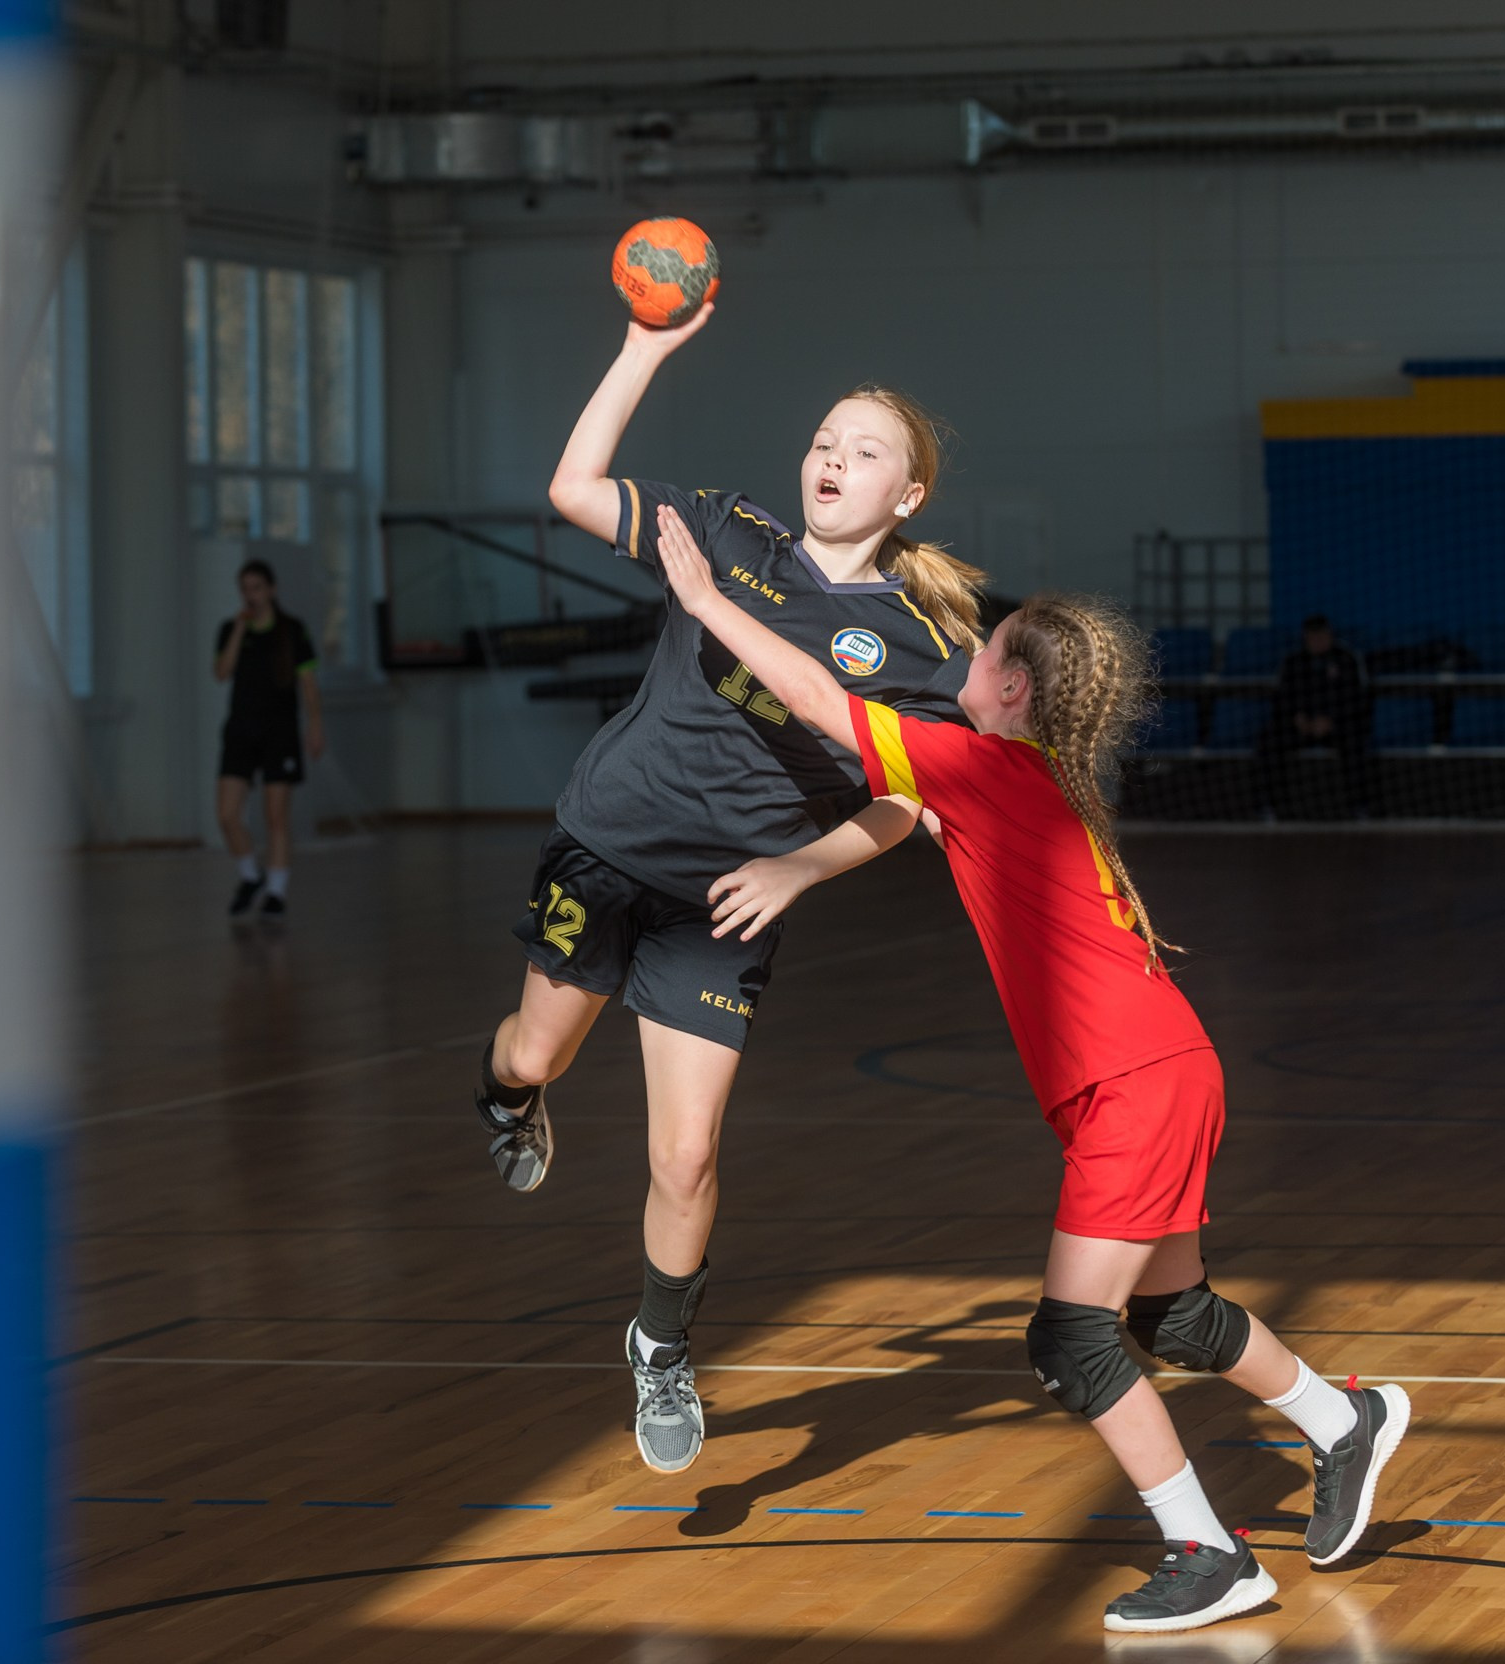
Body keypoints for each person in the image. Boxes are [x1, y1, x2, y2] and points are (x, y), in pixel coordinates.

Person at [652, 510, 1414, 1635]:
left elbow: (816, 697)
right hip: (1160, 1071)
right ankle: (1345, 1421)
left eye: (988, 646)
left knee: (1070, 1336)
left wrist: (706, 602)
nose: (968, 654)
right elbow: (893, 804)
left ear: (1011, 688)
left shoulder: (977, 764)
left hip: (1134, 1084)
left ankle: (1209, 1552)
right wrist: (800, 864)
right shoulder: (1015, 773)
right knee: (1172, 1314)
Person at [476, 299, 987, 1476]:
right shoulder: (725, 530)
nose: (831, 459)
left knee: (687, 1155)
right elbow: (572, 487)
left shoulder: (923, 650)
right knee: (535, 1051)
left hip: (723, 904)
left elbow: (909, 801)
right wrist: (641, 350)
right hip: (604, 848)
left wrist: (800, 865)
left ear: (907, 495)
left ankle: (660, 1345)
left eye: (863, 451)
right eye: (823, 440)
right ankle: (504, 1095)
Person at [213, 559, 324, 916]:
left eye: (257, 588)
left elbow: (308, 684)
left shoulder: (292, 630)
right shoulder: (230, 629)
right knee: (227, 814)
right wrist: (238, 631)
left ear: (271, 590)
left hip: (280, 731)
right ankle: (250, 875)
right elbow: (221, 672)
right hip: (241, 730)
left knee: (275, 815)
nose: (251, 596)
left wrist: (315, 725)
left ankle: (276, 890)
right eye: (245, 589)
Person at [1255, 613, 1372, 819]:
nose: (1318, 641)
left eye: (1322, 636)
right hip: (1301, 728)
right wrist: (1297, 718)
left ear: (1330, 635)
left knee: (1356, 742)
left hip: (1337, 726)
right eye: (1313, 637)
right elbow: (1281, 699)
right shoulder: (1292, 662)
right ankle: (1271, 806)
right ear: (1305, 638)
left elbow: (1358, 699)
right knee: (1269, 741)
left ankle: (1359, 806)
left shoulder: (1346, 659)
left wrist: (1332, 720)